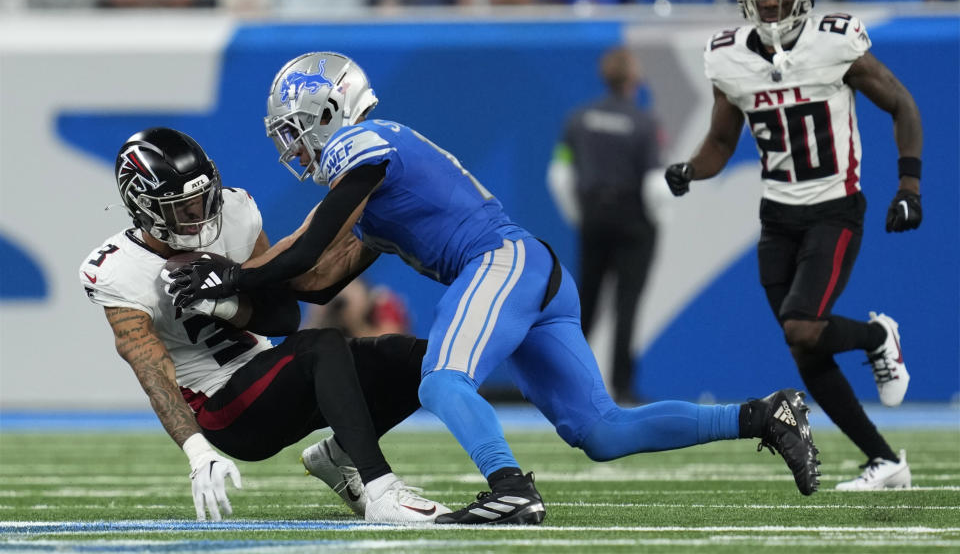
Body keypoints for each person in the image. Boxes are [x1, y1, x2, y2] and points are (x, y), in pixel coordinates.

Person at [168, 50, 823, 526]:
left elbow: (305, 248)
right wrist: (236, 291)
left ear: (329, 110)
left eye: (295, 128)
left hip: (500, 261)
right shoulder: (373, 193)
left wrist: (234, 274)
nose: (294, 145)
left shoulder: (364, 143)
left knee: (441, 382)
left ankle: (511, 487)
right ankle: (766, 414)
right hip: (530, 272)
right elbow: (316, 280)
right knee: (602, 431)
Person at [79, 127, 449, 523]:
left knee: (418, 359)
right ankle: (381, 492)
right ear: (144, 206)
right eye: (183, 208)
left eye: (204, 199)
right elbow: (153, 372)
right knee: (320, 345)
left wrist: (226, 306)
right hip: (226, 411)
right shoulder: (117, 271)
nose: (202, 215)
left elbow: (284, 315)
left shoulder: (235, 212)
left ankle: (337, 456)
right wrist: (198, 451)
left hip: (274, 378)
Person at [664, 0, 921, 491]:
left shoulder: (835, 41)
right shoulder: (728, 54)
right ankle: (883, 461)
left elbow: (901, 102)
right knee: (802, 343)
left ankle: (877, 339)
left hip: (835, 207)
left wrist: (910, 183)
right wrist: (690, 169)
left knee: (804, 327)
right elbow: (720, 140)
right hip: (777, 216)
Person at [546, 46, 661, 403]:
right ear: (633, 79)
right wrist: (655, 222)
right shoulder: (644, 124)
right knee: (628, 305)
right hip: (634, 220)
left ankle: (567, 382)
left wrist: (580, 216)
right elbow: (655, 184)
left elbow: (559, 174)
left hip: (593, 218)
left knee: (587, 304)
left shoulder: (579, 118)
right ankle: (622, 388)